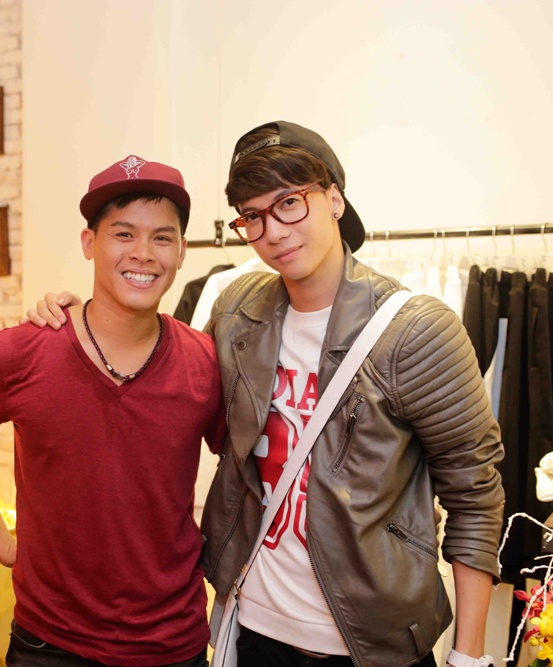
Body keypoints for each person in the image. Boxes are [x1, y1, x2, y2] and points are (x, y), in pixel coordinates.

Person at [29, 122, 505, 667]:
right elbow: (166, 383)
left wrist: (469, 656)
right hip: (252, 627)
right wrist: (86, 323)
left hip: (370, 640)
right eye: (252, 216)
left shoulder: (414, 331)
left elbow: (475, 493)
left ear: (334, 199)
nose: (273, 232)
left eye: (289, 204)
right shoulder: (238, 310)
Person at [0, 155, 225, 667]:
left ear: (181, 252)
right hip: (49, 644)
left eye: (161, 237)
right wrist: (0, 541)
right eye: (123, 234)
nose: (143, 253)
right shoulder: (18, 352)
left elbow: (251, 468)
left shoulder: (206, 362)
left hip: (171, 644)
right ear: (90, 243)